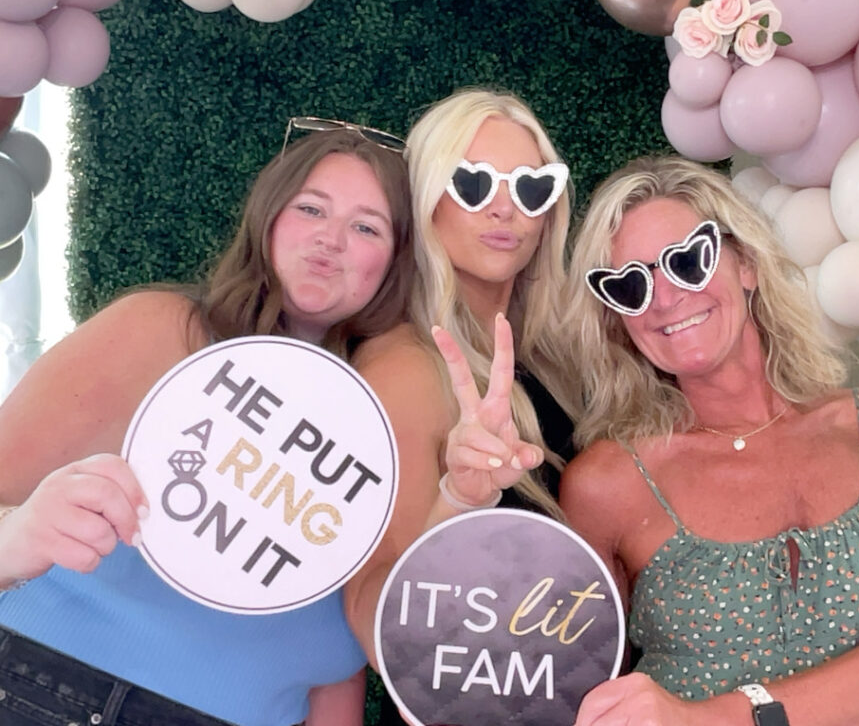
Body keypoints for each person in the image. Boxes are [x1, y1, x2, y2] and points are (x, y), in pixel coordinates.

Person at [0, 121, 414, 726]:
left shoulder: (377, 427)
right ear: (268, 217)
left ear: (394, 262)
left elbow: (337, 661)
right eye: (310, 208)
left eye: (366, 227)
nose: (331, 240)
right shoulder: (161, 332)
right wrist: (17, 541)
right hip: (49, 690)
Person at [557, 155, 859, 726]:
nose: (665, 299)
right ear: (618, 317)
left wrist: (708, 718)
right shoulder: (605, 483)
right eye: (631, 284)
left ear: (747, 264)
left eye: (688, 261)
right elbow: (581, 692)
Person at [342, 87, 580, 722]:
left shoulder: (547, 356)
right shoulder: (407, 367)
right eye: (473, 183)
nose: (506, 209)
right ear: (426, 199)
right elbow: (373, 613)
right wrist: (458, 498)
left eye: (531, 188)